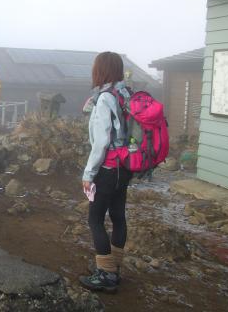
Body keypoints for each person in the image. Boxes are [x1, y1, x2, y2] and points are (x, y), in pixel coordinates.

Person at [79, 51, 133, 292]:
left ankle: (106, 275)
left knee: (95, 219)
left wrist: (88, 174)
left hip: (108, 168)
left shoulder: (104, 99)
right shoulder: (126, 94)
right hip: (126, 166)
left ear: (100, 70)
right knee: (118, 216)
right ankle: (114, 267)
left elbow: (101, 143)